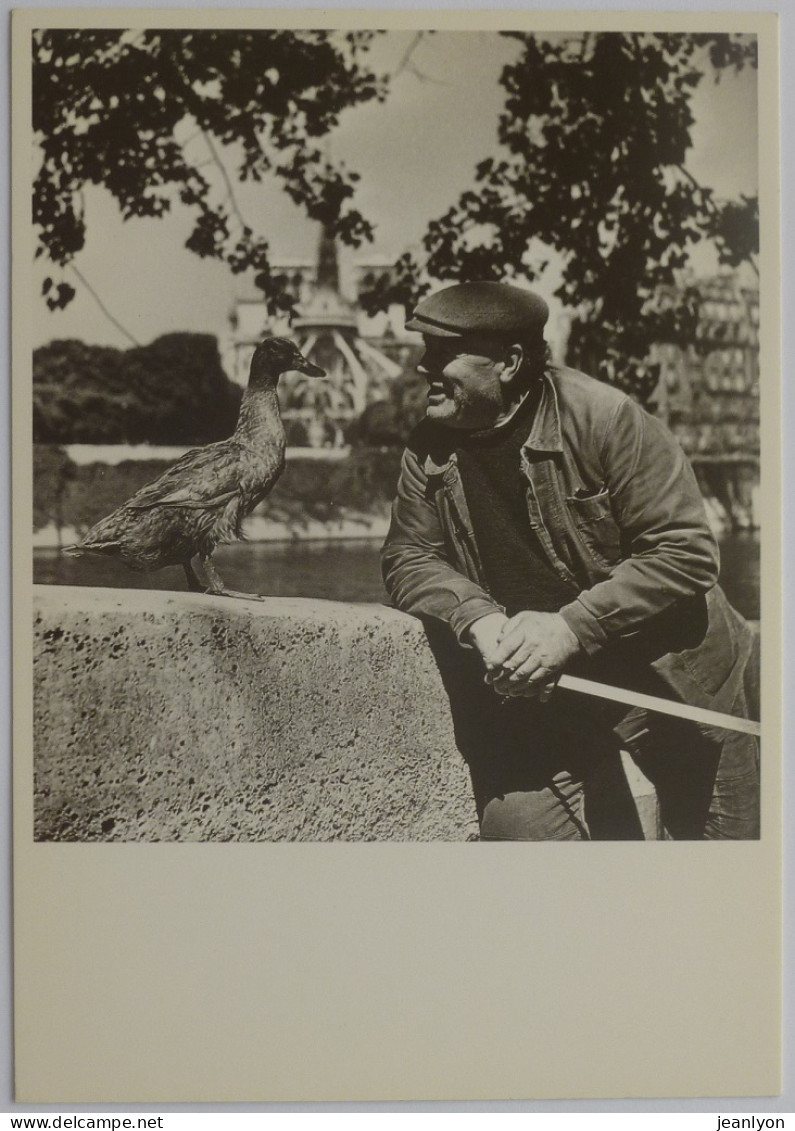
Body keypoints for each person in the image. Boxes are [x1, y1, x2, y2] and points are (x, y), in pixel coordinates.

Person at [381, 281, 759, 840]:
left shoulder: (607, 419)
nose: (422, 367)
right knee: (523, 845)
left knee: (724, 867)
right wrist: (477, 618)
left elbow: (686, 551)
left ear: (509, 362)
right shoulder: (427, 445)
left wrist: (569, 629)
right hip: (546, 696)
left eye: (442, 354)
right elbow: (408, 554)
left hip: (675, 682)